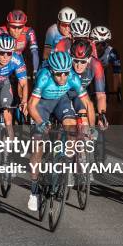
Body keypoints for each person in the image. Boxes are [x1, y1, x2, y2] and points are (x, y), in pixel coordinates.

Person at [26, 51, 89, 212]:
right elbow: (31, 106)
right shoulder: (44, 77)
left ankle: (66, 160)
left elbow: (87, 102)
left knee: (71, 124)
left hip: (61, 100)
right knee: (38, 143)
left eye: (66, 73)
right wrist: (40, 122)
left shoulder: (72, 77)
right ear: (52, 71)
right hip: (43, 104)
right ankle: (34, 190)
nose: (62, 78)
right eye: (58, 74)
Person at [67, 40, 108, 129]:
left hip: (80, 96)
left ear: (89, 59)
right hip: (62, 94)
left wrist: (102, 115)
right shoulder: (66, 62)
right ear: (70, 58)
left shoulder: (96, 65)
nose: (78, 65)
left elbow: (100, 95)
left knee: (85, 123)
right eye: (76, 61)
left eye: (83, 62)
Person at [0, 9, 39, 74]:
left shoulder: (29, 32)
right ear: (8, 25)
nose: (16, 30)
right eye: (13, 27)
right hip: (4, 58)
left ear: (24, 26)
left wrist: (35, 71)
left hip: (18, 57)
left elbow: (34, 52)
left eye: (20, 27)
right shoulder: (1, 31)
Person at [90, 26, 121, 94]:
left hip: (100, 72)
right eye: (97, 43)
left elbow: (116, 74)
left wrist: (117, 92)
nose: (100, 47)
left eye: (104, 44)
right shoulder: (86, 49)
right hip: (86, 72)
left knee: (103, 91)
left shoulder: (111, 53)